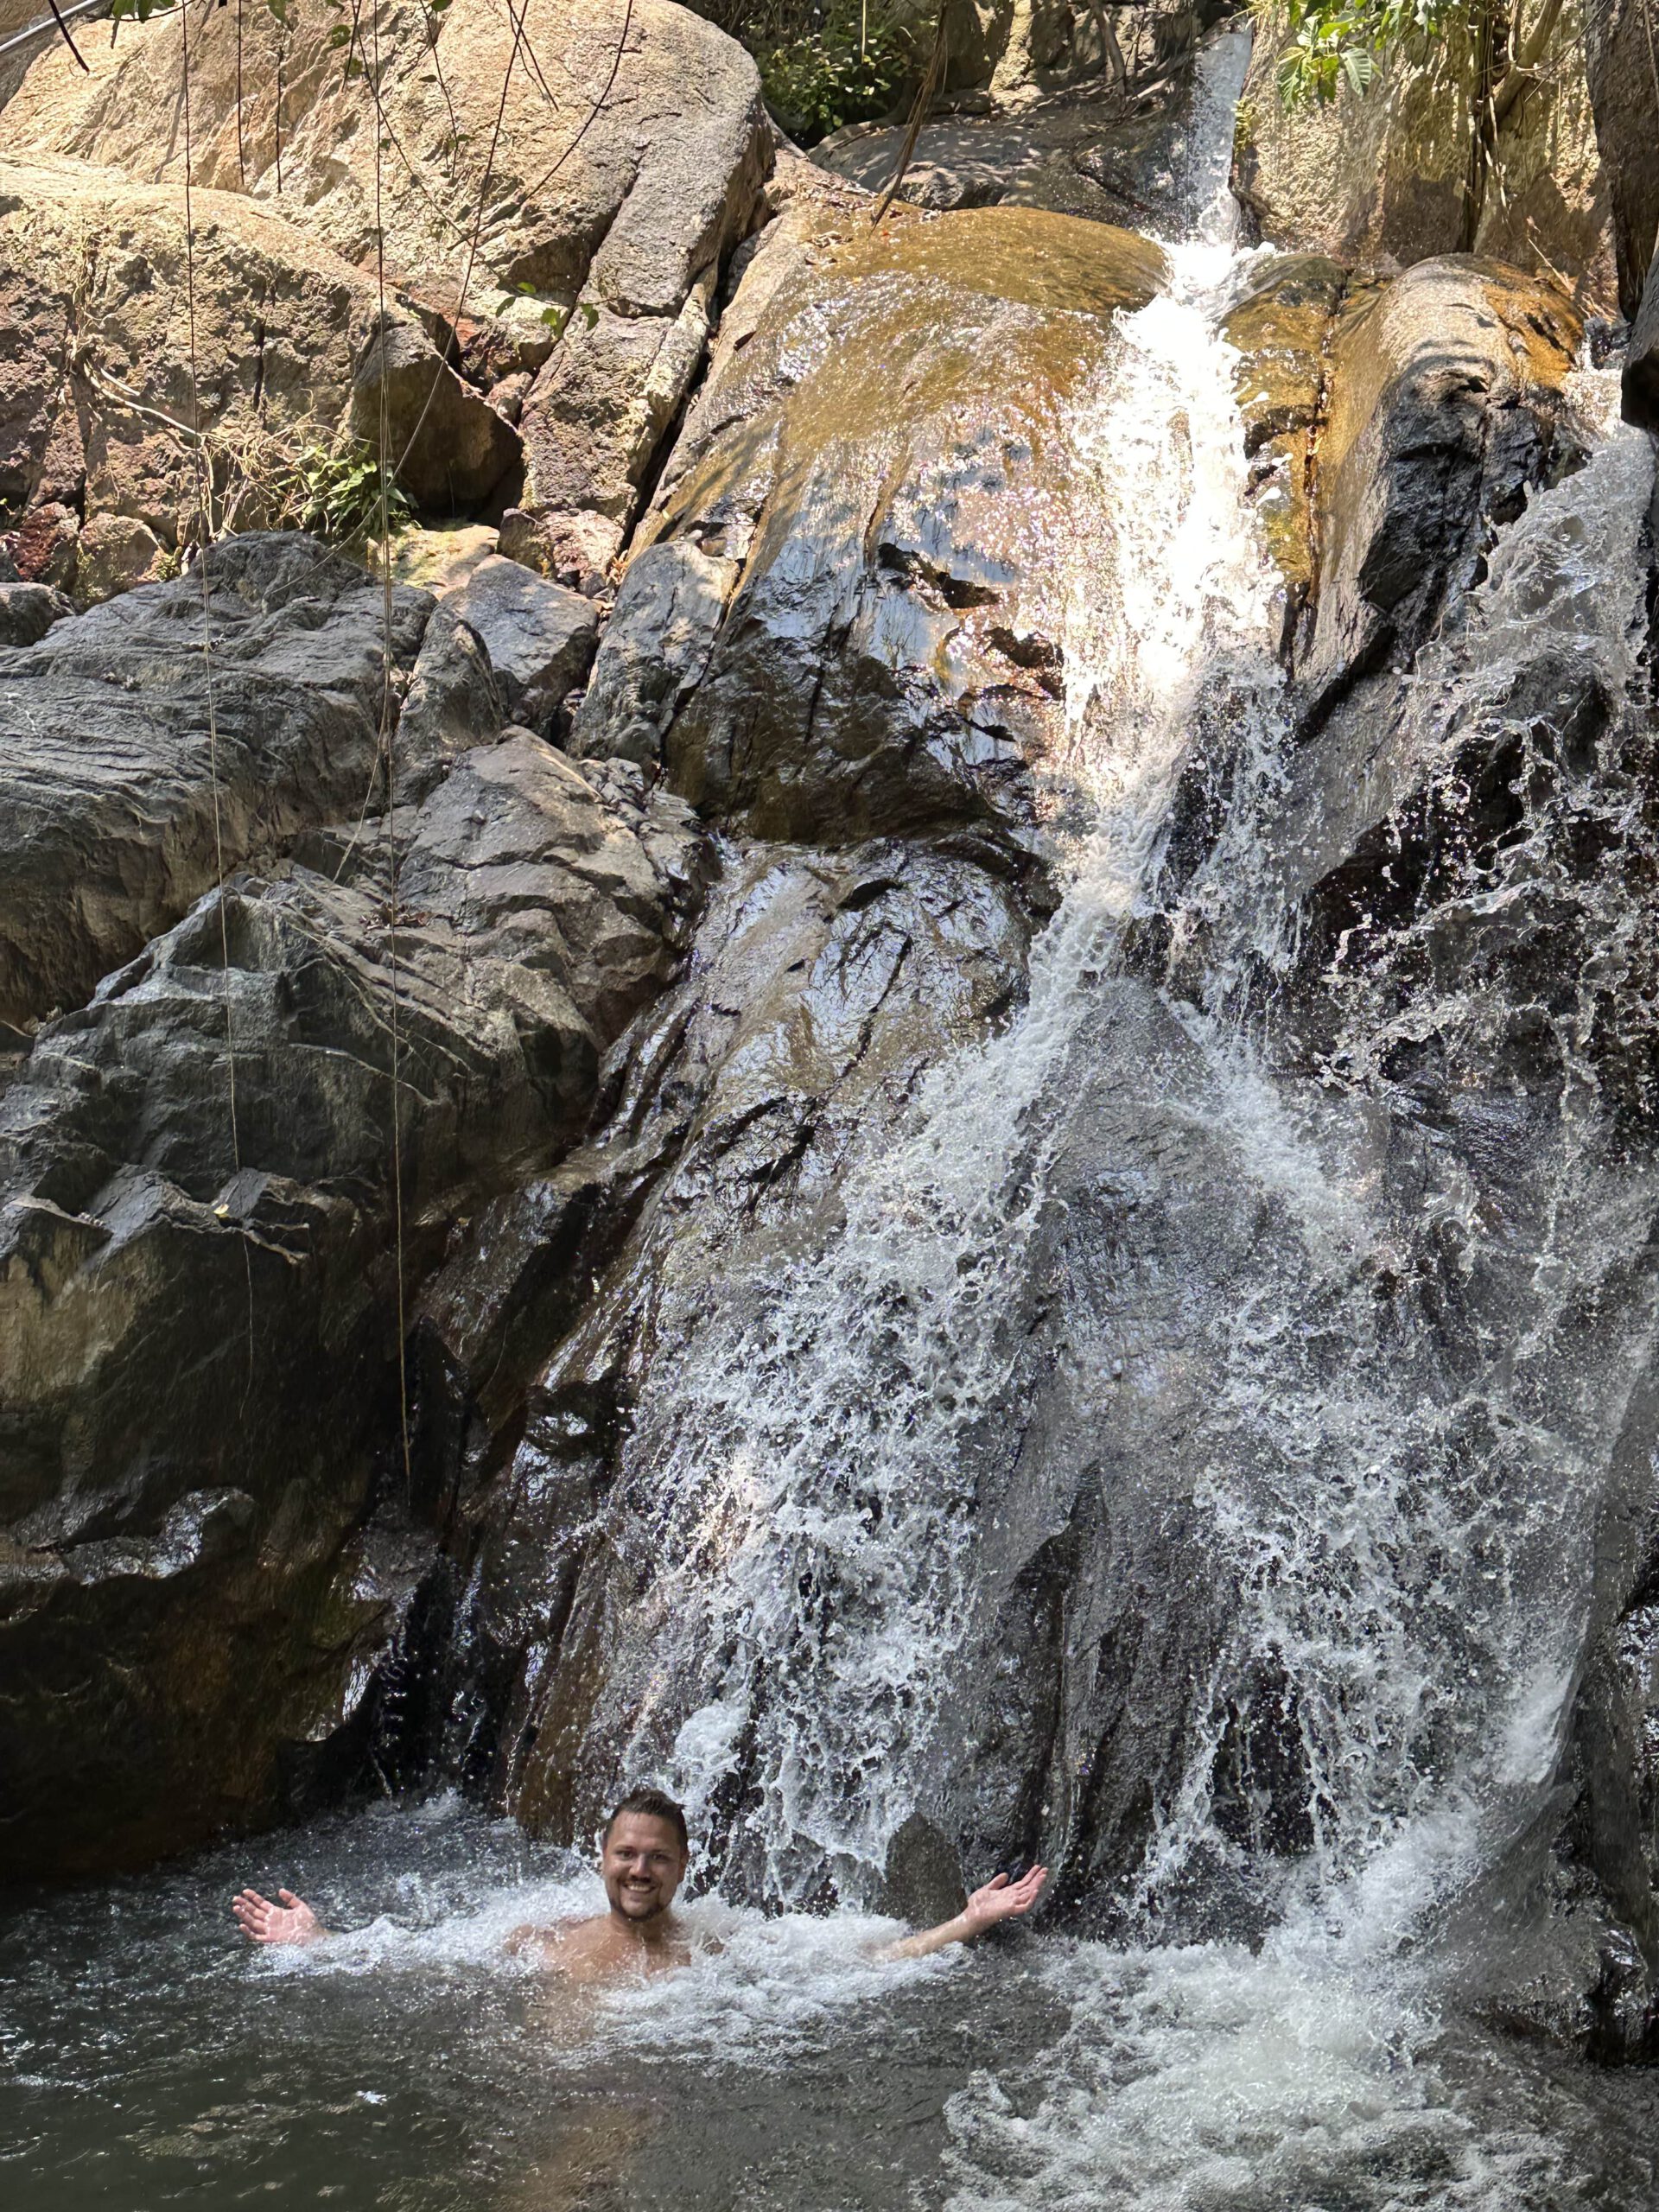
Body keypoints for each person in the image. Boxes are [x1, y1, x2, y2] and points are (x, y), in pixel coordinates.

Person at [232, 1785, 1049, 1981]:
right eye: (627, 1853)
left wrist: (965, 1922)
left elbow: (863, 1958)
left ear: (682, 1869)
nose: (640, 1869)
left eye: (657, 1857)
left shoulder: (719, 1940)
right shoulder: (542, 1936)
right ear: (602, 1858)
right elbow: (422, 1957)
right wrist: (321, 1942)